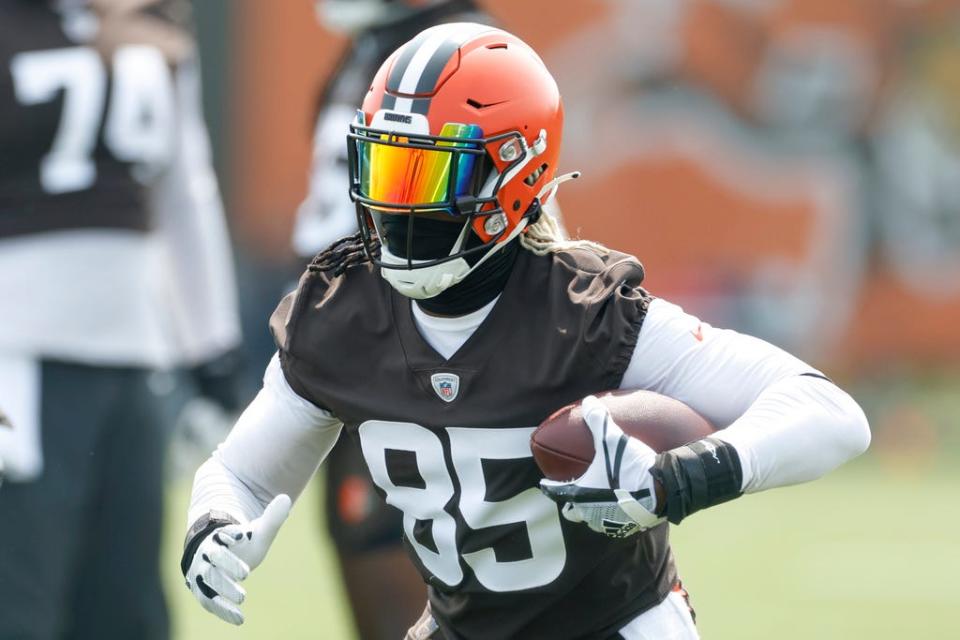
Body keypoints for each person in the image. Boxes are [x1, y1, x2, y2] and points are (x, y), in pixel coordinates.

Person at [181, 23, 870, 638]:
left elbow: (830, 412)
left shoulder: (583, 313)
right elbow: (239, 470)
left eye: (428, 176)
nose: (397, 206)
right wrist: (212, 525)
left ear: (515, 174)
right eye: (386, 169)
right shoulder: (343, 310)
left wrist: (678, 479)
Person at [0, 0, 242, 638]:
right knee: (18, 598)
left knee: (125, 608)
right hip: (15, 361)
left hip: (134, 358)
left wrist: (211, 350)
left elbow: (184, 190)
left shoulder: (156, 20)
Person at [294, 1, 493, 637]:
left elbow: (524, 208)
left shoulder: (464, 51)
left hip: (415, 348)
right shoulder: (367, 44)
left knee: (416, 570)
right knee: (362, 546)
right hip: (340, 343)